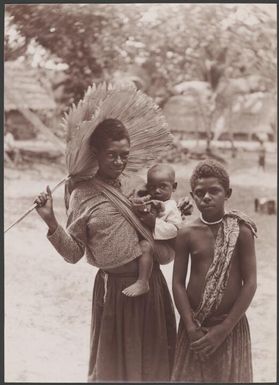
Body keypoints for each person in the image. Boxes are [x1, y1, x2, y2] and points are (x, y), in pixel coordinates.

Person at [34, 119, 177, 382]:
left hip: (150, 284)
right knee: (115, 370)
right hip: (116, 292)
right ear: (96, 154)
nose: (119, 162)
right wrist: (51, 221)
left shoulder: (136, 186)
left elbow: (167, 214)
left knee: (154, 366)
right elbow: (74, 253)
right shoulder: (82, 194)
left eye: (125, 155)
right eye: (112, 155)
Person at [171, 159, 257, 383]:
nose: (206, 197)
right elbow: (178, 283)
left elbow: (250, 283)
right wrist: (190, 325)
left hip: (230, 326)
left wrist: (225, 328)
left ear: (227, 193)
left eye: (214, 191)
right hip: (194, 326)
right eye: (200, 193)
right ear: (192, 195)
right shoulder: (187, 233)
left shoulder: (241, 231)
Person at [122, 164, 183, 297]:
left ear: (174, 187)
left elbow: (175, 230)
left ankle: (143, 282)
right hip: (153, 242)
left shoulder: (171, 207)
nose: (157, 191)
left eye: (163, 186)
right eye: (152, 187)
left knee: (145, 245)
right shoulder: (151, 201)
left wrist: (154, 222)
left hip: (165, 249)